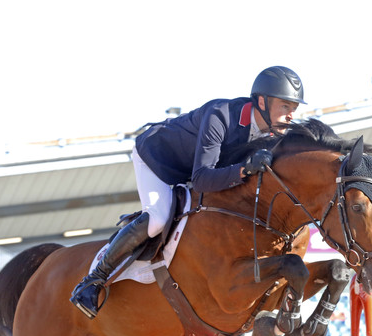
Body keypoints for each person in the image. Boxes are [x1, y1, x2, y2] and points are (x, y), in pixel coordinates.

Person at [70, 66, 305, 319]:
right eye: (285, 106)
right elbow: (202, 179)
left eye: (293, 108)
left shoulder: (273, 134)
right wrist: (245, 169)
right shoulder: (220, 115)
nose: (291, 115)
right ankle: (93, 281)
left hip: (193, 170)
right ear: (262, 101)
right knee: (158, 217)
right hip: (159, 160)